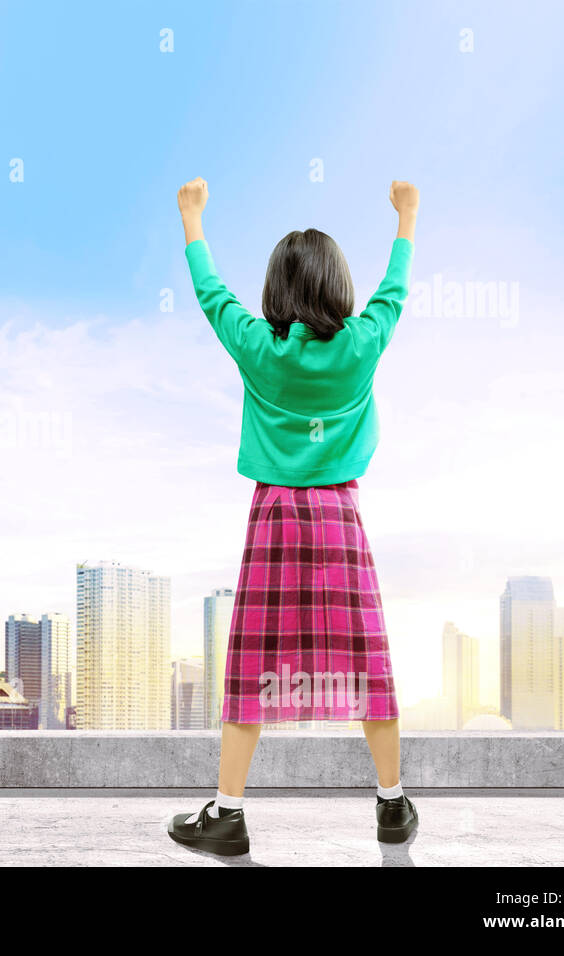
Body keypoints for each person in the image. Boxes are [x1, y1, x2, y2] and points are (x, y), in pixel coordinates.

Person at [167, 177, 420, 856]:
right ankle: (392, 807)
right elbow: (393, 293)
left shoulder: (259, 349)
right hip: (340, 519)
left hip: (275, 517)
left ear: (276, 292)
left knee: (251, 666)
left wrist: (193, 219)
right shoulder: (362, 344)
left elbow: (211, 296)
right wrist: (406, 218)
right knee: (369, 665)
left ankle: (228, 813)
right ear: (340, 289)